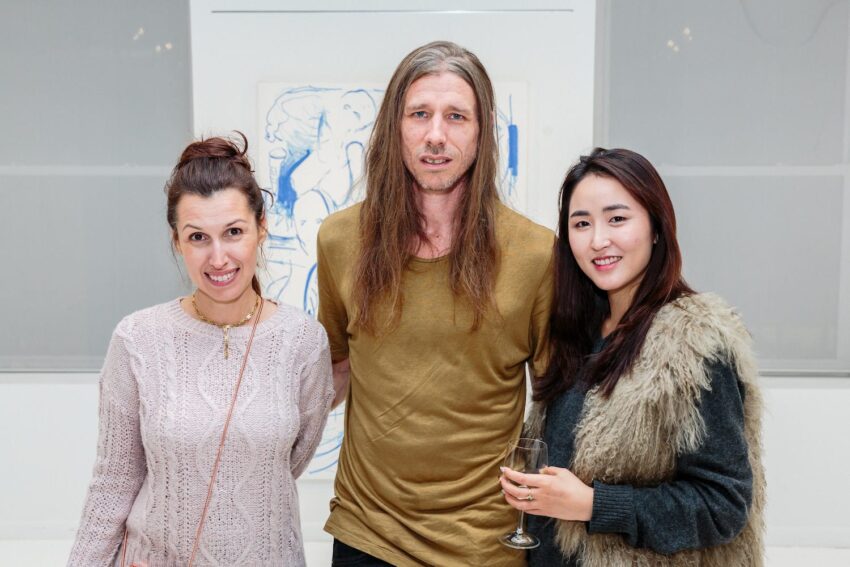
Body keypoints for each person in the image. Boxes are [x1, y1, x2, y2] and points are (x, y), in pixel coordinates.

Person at [317, 41, 554, 566]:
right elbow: (335, 368)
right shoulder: (339, 240)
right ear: (394, 126)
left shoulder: (536, 253)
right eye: (419, 113)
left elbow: (557, 399)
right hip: (367, 531)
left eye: (456, 116)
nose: (436, 135)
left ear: (481, 132)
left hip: (486, 542)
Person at [67, 134, 334, 566]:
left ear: (261, 228)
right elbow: (114, 483)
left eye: (233, 232)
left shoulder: (302, 341)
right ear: (177, 241)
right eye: (197, 237)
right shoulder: (138, 339)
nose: (218, 257)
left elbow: (287, 463)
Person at [500, 148, 765, 566]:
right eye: (581, 223)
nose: (598, 239)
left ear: (656, 227)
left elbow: (724, 505)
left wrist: (593, 504)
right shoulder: (577, 334)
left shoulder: (695, 342)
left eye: (617, 219)